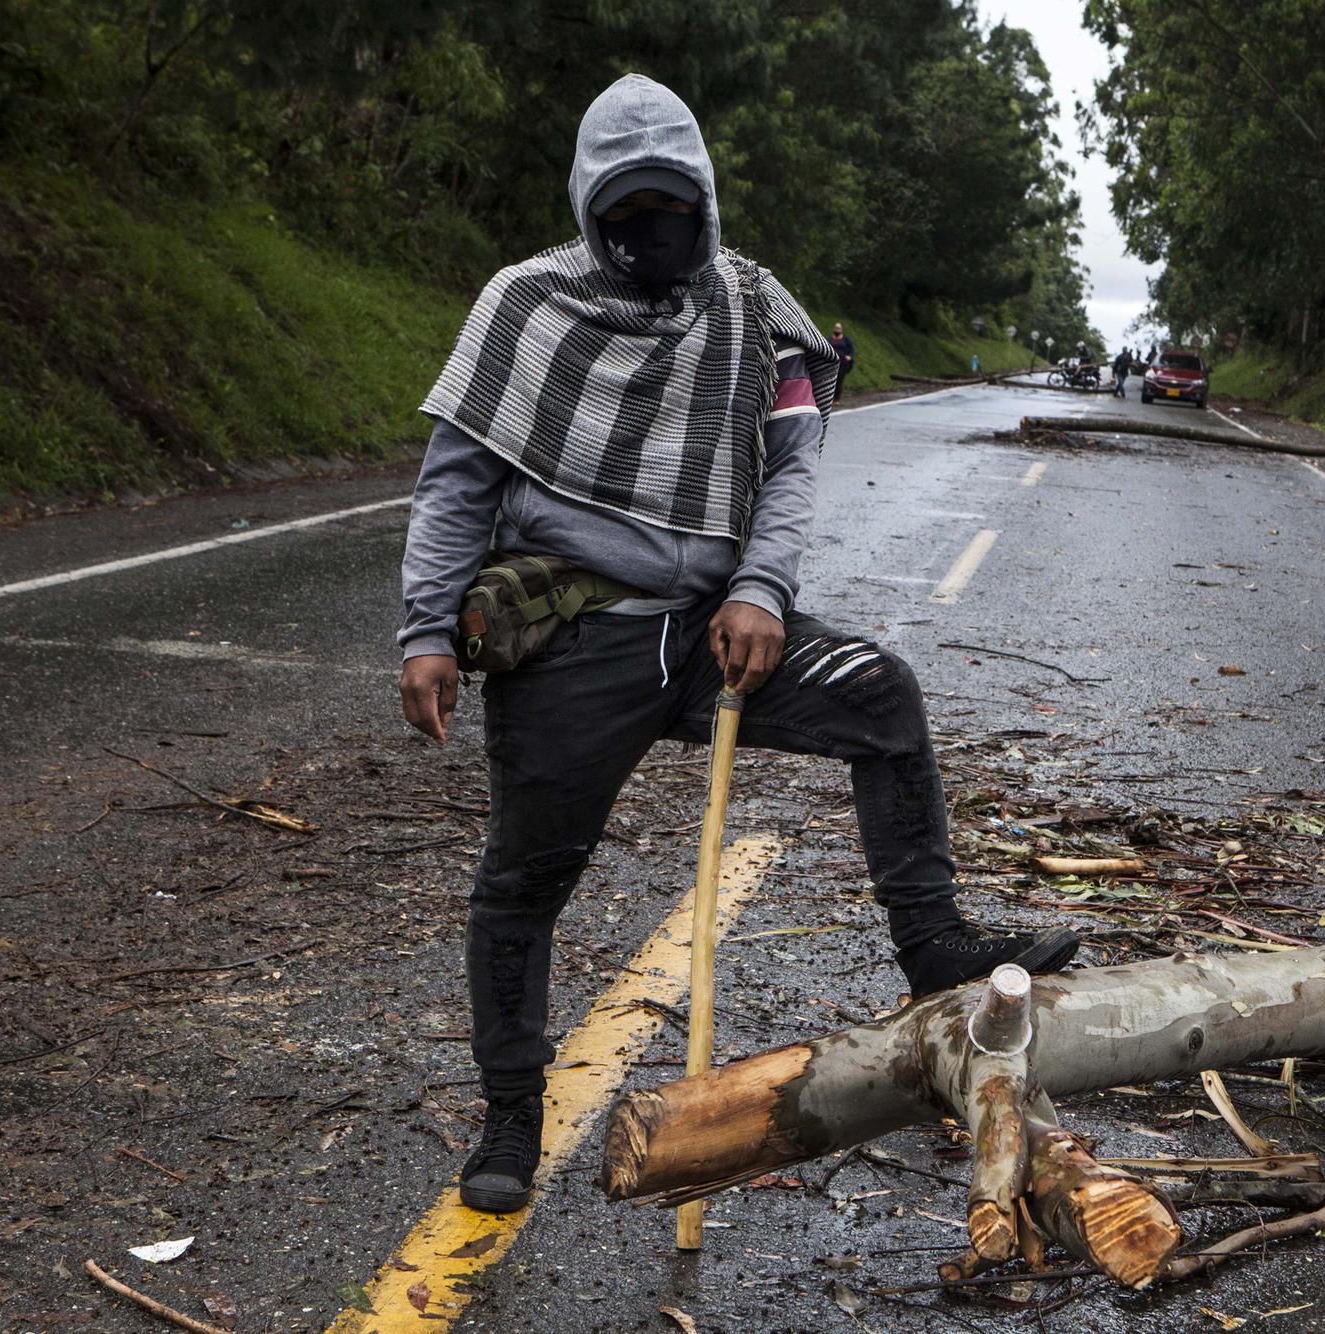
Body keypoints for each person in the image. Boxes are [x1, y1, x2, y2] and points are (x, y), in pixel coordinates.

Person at [397, 74, 1079, 1217]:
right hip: (575, 639)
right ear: (590, 210)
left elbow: (797, 458)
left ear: (703, 203)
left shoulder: (753, 307)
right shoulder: (522, 305)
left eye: (671, 205)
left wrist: (761, 584)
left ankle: (933, 945)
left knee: (880, 694)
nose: (650, 230)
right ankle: (512, 1109)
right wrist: (423, 630)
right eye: (626, 212)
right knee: (523, 882)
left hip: (718, 629)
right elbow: (455, 480)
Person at [829, 321, 856, 399]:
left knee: (839, 381)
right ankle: (830, 398)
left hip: (842, 363)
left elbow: (852, 349)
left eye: (839, 328)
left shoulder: (846, 339)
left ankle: (837, 399)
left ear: (841, 329)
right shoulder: (829, 339)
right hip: (832, 363)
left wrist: (850, 356)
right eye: (836, 328)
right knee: (832, 381)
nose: (837, 330)